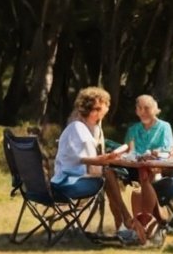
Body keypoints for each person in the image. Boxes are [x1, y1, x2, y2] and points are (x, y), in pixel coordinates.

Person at [52, 86, 140, 244]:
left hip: (83, 176)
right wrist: (105, 159)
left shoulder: (95, 128)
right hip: (69, 181)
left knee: (109, 174)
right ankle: (125, 222)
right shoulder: (77, 128)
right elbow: (84, 159)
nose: (105, 109)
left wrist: (107, 158)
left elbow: (92, 159)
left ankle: (123, 226)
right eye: (102, 106)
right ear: (92, 109)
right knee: (108, 175)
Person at [119, 94, 173, 236]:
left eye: (147, 108)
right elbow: (128, 150)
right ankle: (140, 224)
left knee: (144, 180)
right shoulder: (133, 129)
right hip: (135, 168)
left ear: (156, 110)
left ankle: (144, 225)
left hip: (157, 168)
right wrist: (134, 155)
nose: (143, 111)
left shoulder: (164, 127)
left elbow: (169, 149)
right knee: (113, 174)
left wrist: (153, 153)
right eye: (139, 108)